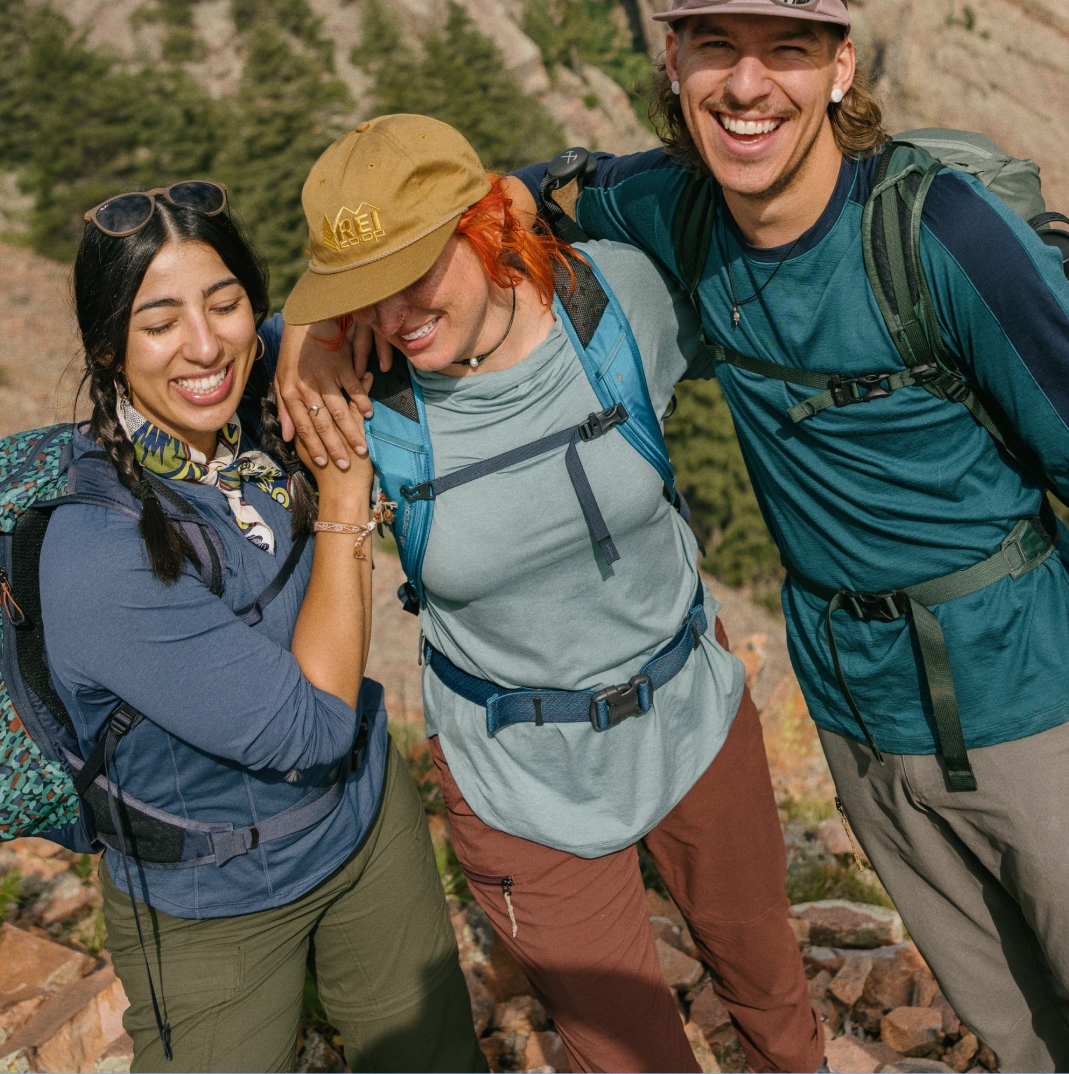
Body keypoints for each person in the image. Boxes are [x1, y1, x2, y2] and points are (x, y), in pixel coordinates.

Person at [284, 0, 1069, 1073]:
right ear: (675, 67)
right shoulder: (669, 208)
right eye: (716, 47)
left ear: (840, 69)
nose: (748, 83)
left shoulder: (942, 233)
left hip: (1027, 696)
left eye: (787, 49)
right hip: (854, 719)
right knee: (1010, 1024)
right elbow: (513, 190)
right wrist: (311, 327)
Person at [271, 114, 824, 1073]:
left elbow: (743, 219)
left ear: (485, 226)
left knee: (771, 991)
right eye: (363, 293)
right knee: (627, 1054)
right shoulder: (354, 395)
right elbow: (194, 353)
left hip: (690, 713)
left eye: (416, 272)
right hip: (515, 773)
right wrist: (305, 332)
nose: (396, 315)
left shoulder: (614, 302)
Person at [39, 183, 485, 1073]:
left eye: (227, 303)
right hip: (209, 902)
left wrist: (310, 337)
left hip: (362, 821)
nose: (206, 346)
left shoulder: (253, 393)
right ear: (105, 345)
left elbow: (372, 292)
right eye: (159, 320)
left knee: (434, 1059)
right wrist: (347, 495)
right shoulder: (94, 554)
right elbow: (310, 725)